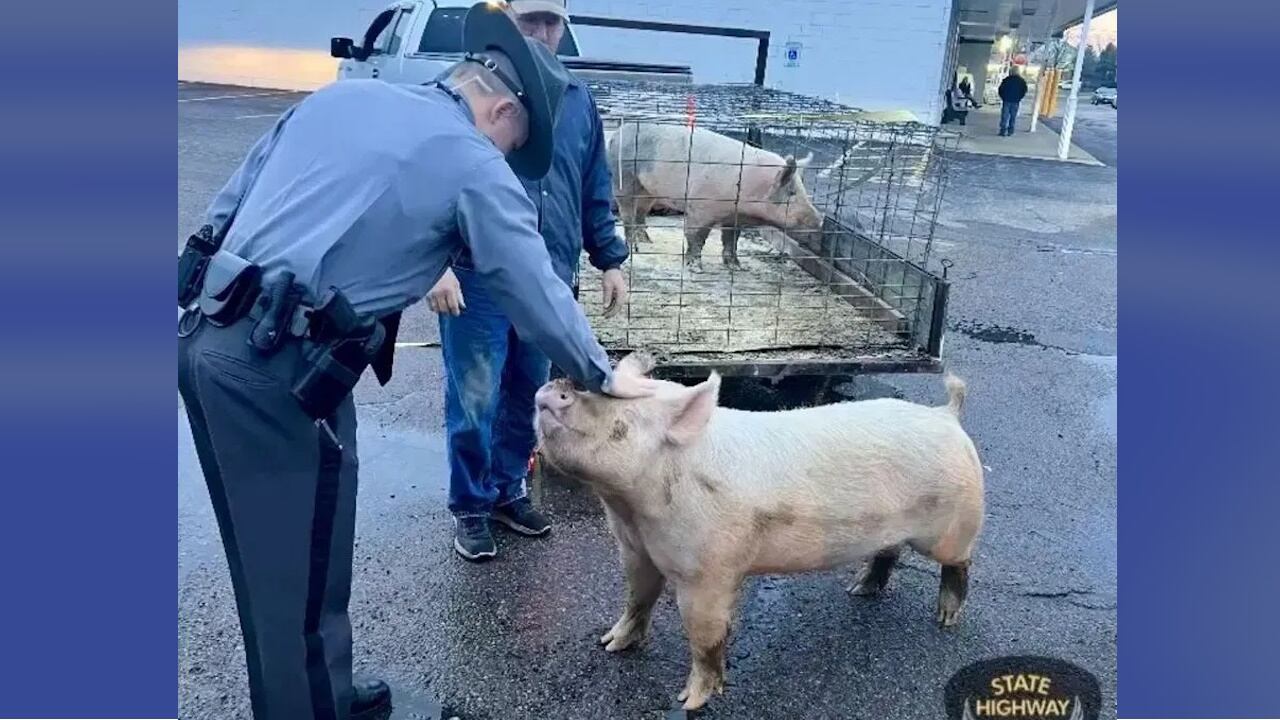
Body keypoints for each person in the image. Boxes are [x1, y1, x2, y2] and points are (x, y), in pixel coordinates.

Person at [176, 4, 656, 719]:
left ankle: (327, 694)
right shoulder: (470, 161)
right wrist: (604, 377)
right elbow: (535, 292)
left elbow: (227, 206)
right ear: (498, 109)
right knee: (295, 575)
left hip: (213, 340)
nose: (507, 161)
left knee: (286, 563)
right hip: (278, 373)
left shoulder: (343, 97)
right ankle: (307, 707)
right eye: (513, 144)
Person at [425, 0, 629, 562]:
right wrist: (435, 265)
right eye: (528, 21)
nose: (540, 32)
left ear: (565, 28)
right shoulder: (468, 91)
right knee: (474, 396)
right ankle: (470, 504)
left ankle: (508, 489)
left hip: (549, 275)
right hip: (477, 276)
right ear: (507, 23)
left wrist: (609, 257)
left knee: (528, 392)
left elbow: (593, 185)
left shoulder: (578, 101)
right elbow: (430, 181)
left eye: (551, 22)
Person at [998, 66, 1028, 136]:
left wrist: (1003, 97)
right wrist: (1019, 98)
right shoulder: (1021, 81)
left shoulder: (1006, 80)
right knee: (1013, 116)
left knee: (1004, 116)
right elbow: (1024, 91)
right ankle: (1010, 130)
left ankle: (1003, 130)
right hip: (1015, 101)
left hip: (1007, 100)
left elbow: (1000, 89)